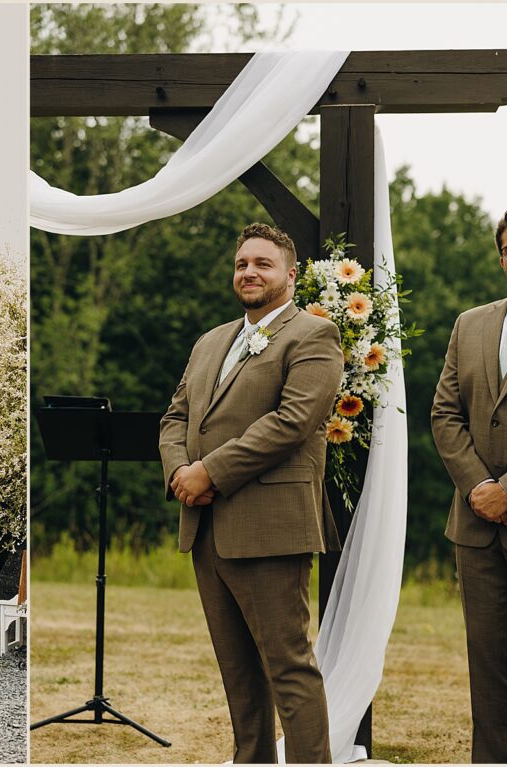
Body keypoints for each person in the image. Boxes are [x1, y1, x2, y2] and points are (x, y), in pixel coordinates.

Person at [159, 222, 342, 763]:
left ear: (290, 273)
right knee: (237, 670)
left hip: (271, 525)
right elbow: (175, 415)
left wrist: (209, 472)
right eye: (242, 264)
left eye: (262, 263)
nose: (249, 272)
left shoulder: (312, 335)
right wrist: (180, 472)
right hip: (206, 525)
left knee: (287, 667)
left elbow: (292, 421)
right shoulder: (210, 340)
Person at [431, 205, 507, 764]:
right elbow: (444, 414)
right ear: (500, 259)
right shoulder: (469, 324)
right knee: (487, 663)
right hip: (476, 527)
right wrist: (479, 489)